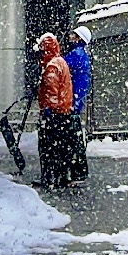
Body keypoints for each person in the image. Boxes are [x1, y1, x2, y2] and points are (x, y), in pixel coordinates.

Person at [34, 31, 74, 189]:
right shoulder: (61, 62)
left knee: (48, 148)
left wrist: (47, 111)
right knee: (62, 148)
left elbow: (51, 92)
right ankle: (63, 177)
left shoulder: (51, 67)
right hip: (64, 113)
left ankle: (49, 179)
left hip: (54, 115)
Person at [65, 25, 92, 182]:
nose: (70, 36)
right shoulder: (82, 55)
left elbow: (61, 65)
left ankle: (78, 171)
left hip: (71, 102)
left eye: (73, 34)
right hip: (75, 101)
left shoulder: (76, 55)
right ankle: (79, 171)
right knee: (75, 138)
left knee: (73, 140)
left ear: (79, 38)